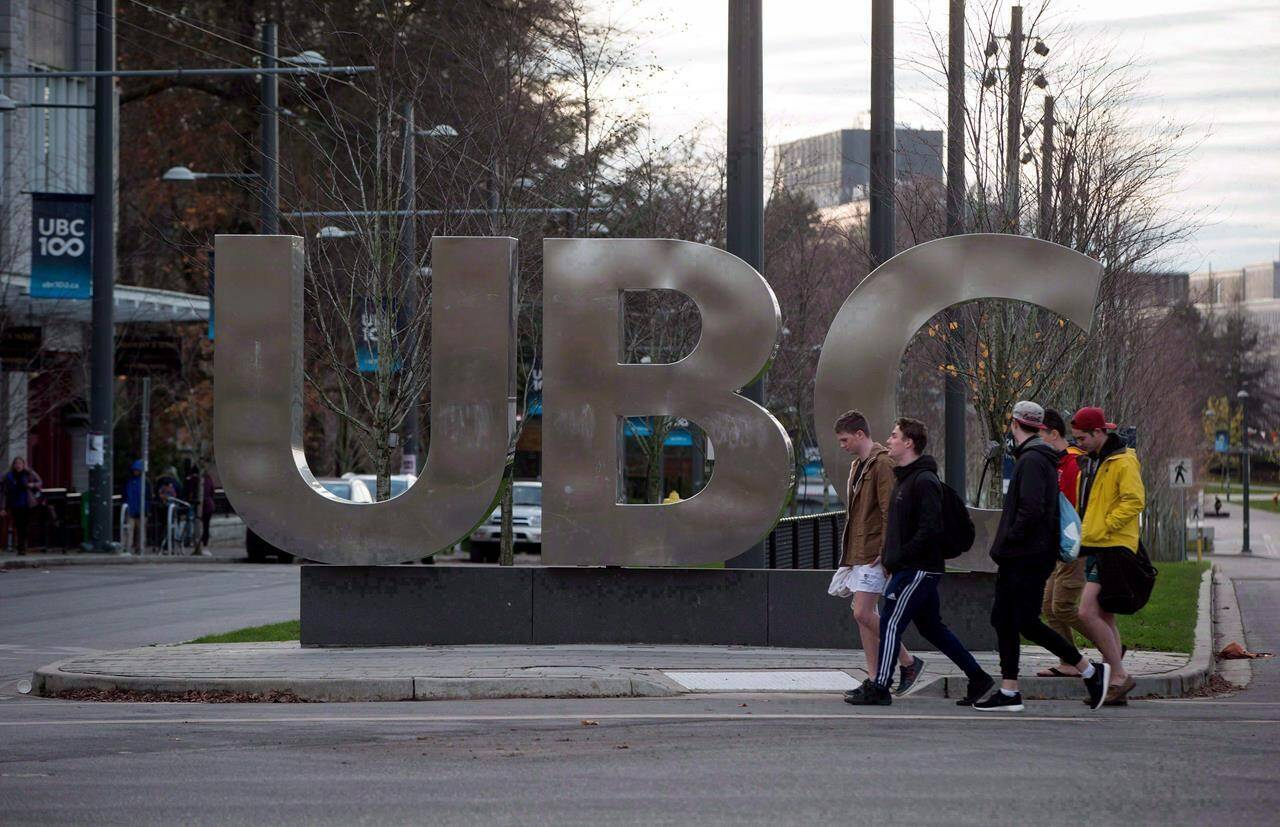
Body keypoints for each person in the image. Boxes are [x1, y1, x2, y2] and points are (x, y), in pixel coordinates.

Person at [846, 417, 995, 706]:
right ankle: (978, 678)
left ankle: (880, 686)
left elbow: (929, 530)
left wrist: (899, 557)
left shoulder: (924, 482)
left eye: (893, 436)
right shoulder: (906, 479)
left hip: (918, 569)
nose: (888, 440)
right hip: (912, 567)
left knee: (890, 623)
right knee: (931, 628)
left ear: (908, 443)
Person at [976, 402, 1109, 711]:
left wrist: (1007, 543)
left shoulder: (1032, 460)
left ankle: (1089, 670)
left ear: (1015, 425)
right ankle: (1010, 691)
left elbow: (1030, 511)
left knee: (1023, 620)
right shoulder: (1039, 458)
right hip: (1027, 556)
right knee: (1004, 619)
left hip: (1025, 557)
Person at [832, 411, 924, 699]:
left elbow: (889, 510)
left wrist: (885, 551)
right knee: (862, 615)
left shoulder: (881, 463)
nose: (842, 445)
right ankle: (873, 677)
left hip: (874, 551)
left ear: (860, 434)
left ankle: (908, 662)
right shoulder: (859, 465)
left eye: (845, 439)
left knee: (862, 611)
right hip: (861, 550)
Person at [1072, 406, 1146, 705]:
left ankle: (1117, 675)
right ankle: (1115, 682)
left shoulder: (1122, 461)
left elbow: (1134, 500)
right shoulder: (1096, 461)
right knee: (1104, 614)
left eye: (1082, 437)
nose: (1079, 443)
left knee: (1085, 612)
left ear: (1099, 432)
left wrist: (1106, 526)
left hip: (1113, 546)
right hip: (1097, 543)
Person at [1036, 408, 1091, 677]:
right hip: (1056, 548)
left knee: (1063, 606)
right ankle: (1069, 660)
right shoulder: (1052, 464)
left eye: (1038, 434)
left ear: (1053, 434)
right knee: (1049, 607)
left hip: (1073, 546)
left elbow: (1074, 510)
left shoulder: (1073, 464)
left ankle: (1109, 644)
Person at [1, 457, 42, 555]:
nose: (18, 465)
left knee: (25, 525)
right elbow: (4, 491)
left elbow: (39, 482)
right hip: (14, 503)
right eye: (16, 463)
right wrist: (3, 507)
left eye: (20, 463)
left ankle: (22, 546)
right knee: (18, 525)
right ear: (13, 465)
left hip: (27, 502)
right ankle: (20, 547)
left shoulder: (28, 473)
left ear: (24, 464)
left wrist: (32, 485)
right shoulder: (9, 476)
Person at [186, 466, 217, 554]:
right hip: (209, 505)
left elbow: (189, 491)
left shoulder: (193, 480)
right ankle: (204, 544)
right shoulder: (208, 478)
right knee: (206, 526)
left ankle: (197, 542)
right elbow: (212, 491)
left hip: (200, 505)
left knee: (198, 524)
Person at [124, 460, 151, 553]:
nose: (136, 472)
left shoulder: (144, 482)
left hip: (140, 509)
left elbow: (148, 496)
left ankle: (139, 547)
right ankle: (128, 547)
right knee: (130, 530)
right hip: (132, 509)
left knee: (140, 531)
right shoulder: (131, 481)